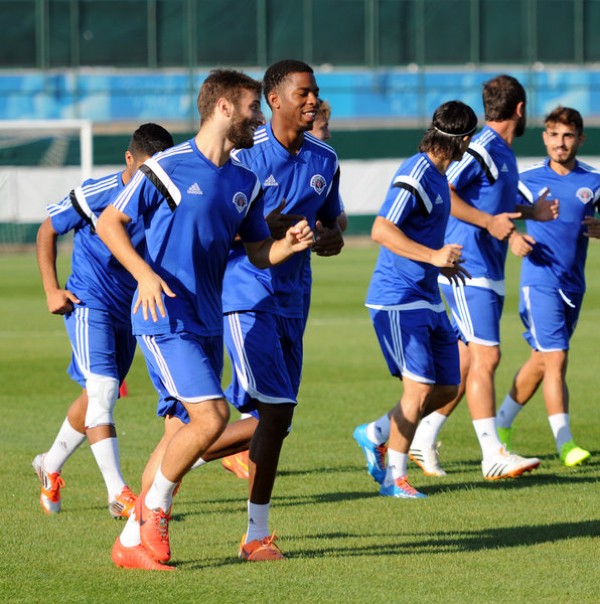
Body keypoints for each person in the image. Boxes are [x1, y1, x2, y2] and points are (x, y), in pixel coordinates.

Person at [97, 69, 314, 571]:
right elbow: (110, 223)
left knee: (179, 434)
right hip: (164, 317)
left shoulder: (245, 181)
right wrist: (144, 276)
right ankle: (154, 511)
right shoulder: (168, 166)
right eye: (252, 108)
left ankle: (130, 541)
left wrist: (287, 245)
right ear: (223, 108)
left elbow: (257, 252)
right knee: (213, 417)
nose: (258, 117)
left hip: (207, 322)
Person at [407, 74, 558, 480]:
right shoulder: (483, 146)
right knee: (488, 357)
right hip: (466, 266)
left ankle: (415, 436)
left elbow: (493, 205)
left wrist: (529, 213)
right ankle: (492, 454)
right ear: (521, 109)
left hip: (487, 267)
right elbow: (446, 189)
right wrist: (489, 223)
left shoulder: (503, 152)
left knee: (464, 363)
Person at [32, 123, 174, 518]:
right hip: (88, 302)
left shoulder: (167, 199)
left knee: (96, 395)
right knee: (104, 389)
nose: (153, 179)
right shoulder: (97, 193)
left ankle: (49, 464)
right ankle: (118, 493)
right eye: (147, 169)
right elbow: (47, 230)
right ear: (129, 159)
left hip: (132, 310)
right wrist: (51, 289)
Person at [353, 101, 477, 498]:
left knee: (447, 387)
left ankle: (375, 432)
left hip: (427, 295)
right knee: (419, 389)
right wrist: (434, 256)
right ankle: (395, 478)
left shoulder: (440, 175)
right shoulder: (417, 172)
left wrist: (441, 264)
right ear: (463, 139)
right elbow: (381, 229)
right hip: (398, 297)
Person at [496, 107, 600, 466]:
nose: (561, 143)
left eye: (568, 136)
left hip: (574, 285)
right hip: (539, 282)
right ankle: (565, 443)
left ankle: (501, 424)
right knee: (557, 358)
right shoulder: (526, 179)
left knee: (541, 361)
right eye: (554, 135)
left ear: (580, 139)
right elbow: (496, 215)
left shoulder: (593, 181)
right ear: (544, 138)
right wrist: (512, 237)